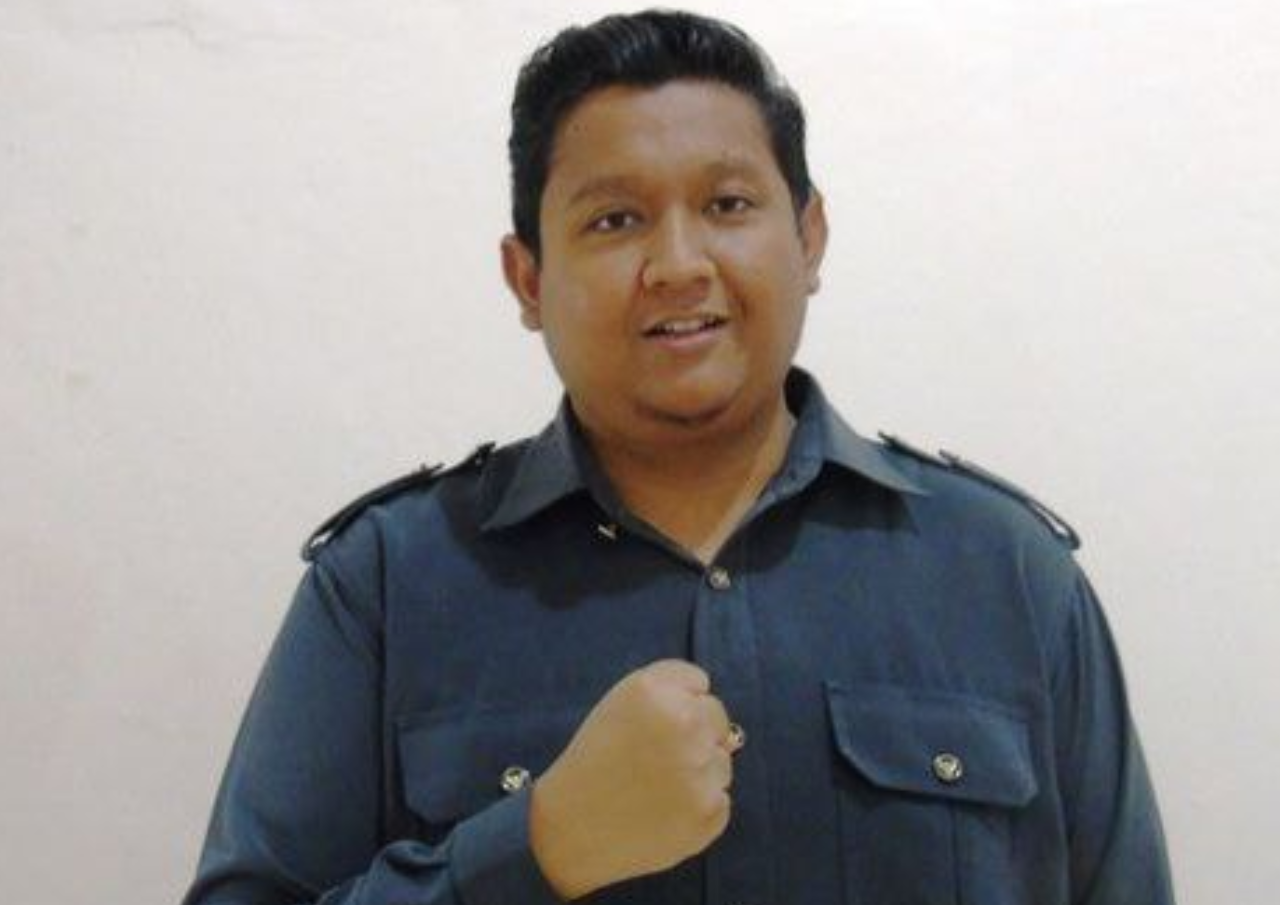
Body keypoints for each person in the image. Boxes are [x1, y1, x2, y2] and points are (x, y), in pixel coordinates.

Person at [180, 10, 1175, 905]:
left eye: (728, 204)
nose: (679, 264)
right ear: (526, 278)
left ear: (810, 237)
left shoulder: (1003, 572)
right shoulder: (390, 583)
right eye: (614, 220)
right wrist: (537, 845)